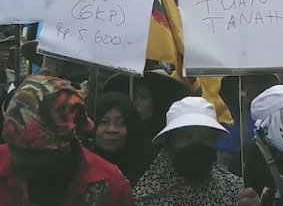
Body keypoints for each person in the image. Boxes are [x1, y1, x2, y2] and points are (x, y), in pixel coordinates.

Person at [0, 75, 133, 206]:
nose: (18, 158)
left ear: (66, 141)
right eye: (13, 146)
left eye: (35, 153)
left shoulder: (111, 186)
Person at [134, 96, 242, 206]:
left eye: (206, 137)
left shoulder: (234, 191)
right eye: (188, 137)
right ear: (171, 142)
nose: (197, 144)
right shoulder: (147, 197)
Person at [93, 92, 148, 186]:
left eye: (121, 123)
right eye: (104, 122)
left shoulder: (147, 172)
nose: (112, 129)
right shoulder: (78, 168)